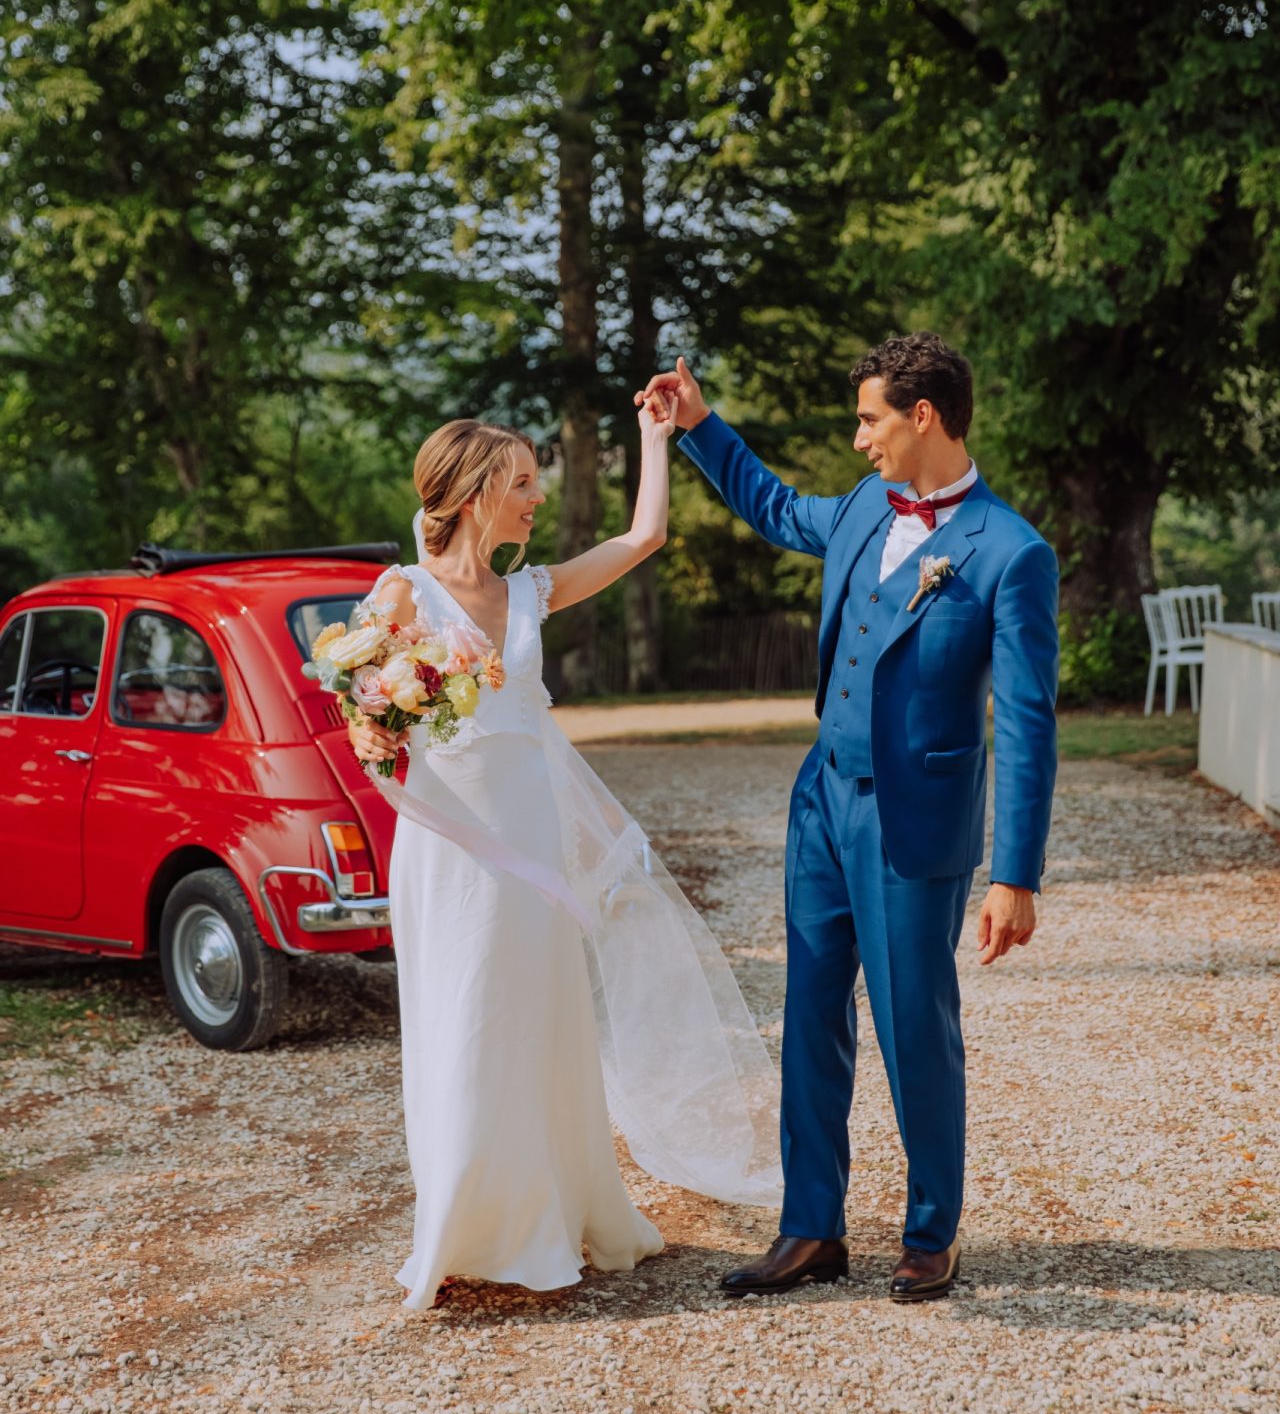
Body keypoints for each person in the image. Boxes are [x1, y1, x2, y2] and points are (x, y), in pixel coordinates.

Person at [638, 334, 1058, 1301]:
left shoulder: (1012, 553)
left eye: (871, 419)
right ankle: (811, 1228)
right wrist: (700, 426)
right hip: (821, 803)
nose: (860, 438)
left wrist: (1015, 874)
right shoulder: (868, 505)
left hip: (916, 824)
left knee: (916, 1030)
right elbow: (779, 507)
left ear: (923, 416)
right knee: (810, 1020)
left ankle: (931, 1233)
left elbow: (1029, 724)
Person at [348, 400, 782, 1311]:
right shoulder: (401, 593)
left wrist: (656, 439)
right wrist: (383, 718)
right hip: (451, 851)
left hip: (532, 839)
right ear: (474, 494)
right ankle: (464, 1225)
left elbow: (644, 537)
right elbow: (363, 708)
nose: (536, 499)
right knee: (463, 1022)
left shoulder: (530, 592)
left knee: (540, 1023)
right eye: (521, 484)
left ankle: (550, 1210)